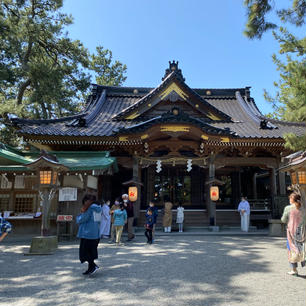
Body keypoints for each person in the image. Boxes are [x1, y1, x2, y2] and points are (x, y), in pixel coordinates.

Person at [76, 194, 102, 275]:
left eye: (85, 201)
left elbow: (83, 219)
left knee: (84, 253)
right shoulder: (98, 208)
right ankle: (91, 268)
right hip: (95, 233)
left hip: (87, 233)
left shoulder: (89, 208)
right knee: (91, 252)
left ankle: (93, 266)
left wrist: (78, 217)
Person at [281, 192, 305, 276]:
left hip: (291, 232)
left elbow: (283, 220)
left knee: (291, 249)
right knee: (303, 249)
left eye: (290, 198)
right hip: (302, 232)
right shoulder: (303, 208)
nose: (289, 200)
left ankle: (294, 270)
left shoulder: (288, 208)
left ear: (292, 199)